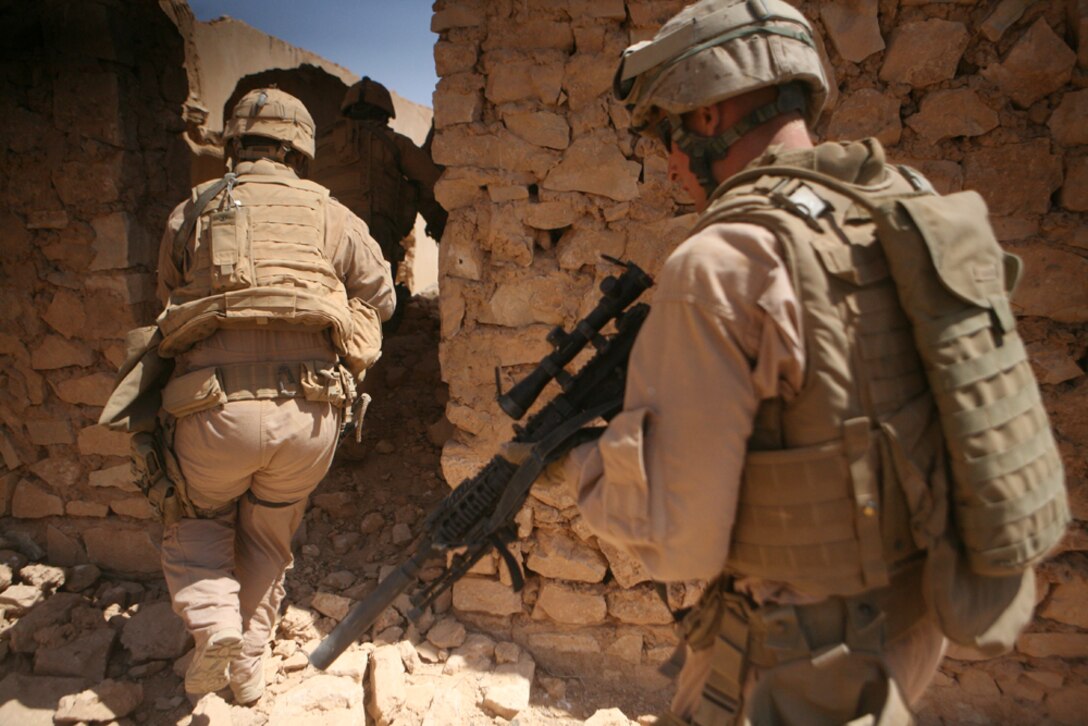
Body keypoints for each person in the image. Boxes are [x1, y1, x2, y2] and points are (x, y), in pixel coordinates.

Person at [554, 1, 1066, 723]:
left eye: (667, 133)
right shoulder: (899, 207)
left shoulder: (720, 261)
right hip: (911, 617)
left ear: (710, 118)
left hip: (796, 658)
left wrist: (581, 464)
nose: (669, 163)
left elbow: (681, 545)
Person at [153, 88, 394, 703]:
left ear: (234, 143)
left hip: (211, 410)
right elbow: (383, 296)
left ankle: (215, 626)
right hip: (308, 415)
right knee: (268, 536)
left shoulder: (195, 209)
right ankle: (250, 668)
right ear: (301, 151)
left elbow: (167, 299)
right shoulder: (331, 213)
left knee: (200, 517)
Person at [311, 76, 447, 333]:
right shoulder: (392, 143)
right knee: (375, 319)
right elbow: (433, 181)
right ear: (385, 114)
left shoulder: (319, 146)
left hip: (321, 242)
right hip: (373, 242)